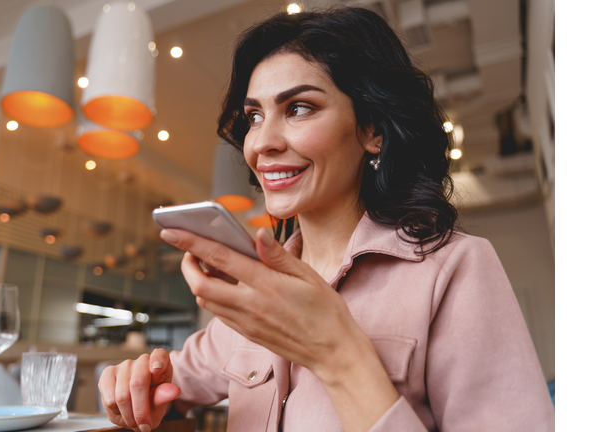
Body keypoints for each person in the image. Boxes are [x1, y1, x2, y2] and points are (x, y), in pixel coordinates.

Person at [98, 7, 555, 432]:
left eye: (298, 108)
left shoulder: (456, 269)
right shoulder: (256, 284)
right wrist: (136, 382)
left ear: (372, 130)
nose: (261, 144)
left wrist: (337, 353)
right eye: (255, 116)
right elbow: (172, 383)